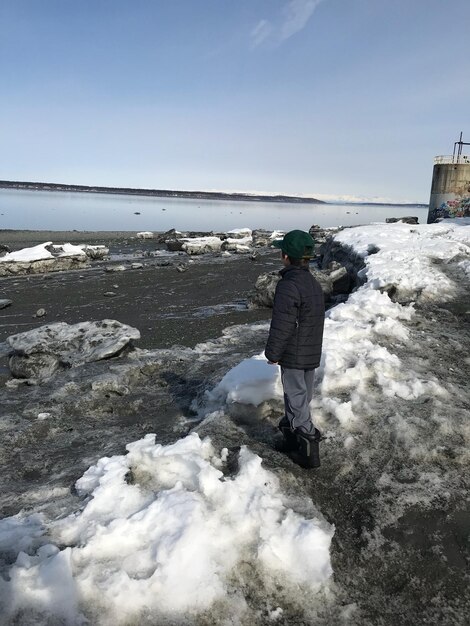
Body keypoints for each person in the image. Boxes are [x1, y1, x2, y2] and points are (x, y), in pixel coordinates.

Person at [265, 229, 325, 468]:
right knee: (302, 396)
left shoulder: (289, 285)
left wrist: (273, 353)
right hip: (310, 351)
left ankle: (309, 453)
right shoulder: (312, 283)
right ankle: (292, 439)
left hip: (294, 353)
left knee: (296, 398)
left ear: (286, 256)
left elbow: (283, 323)